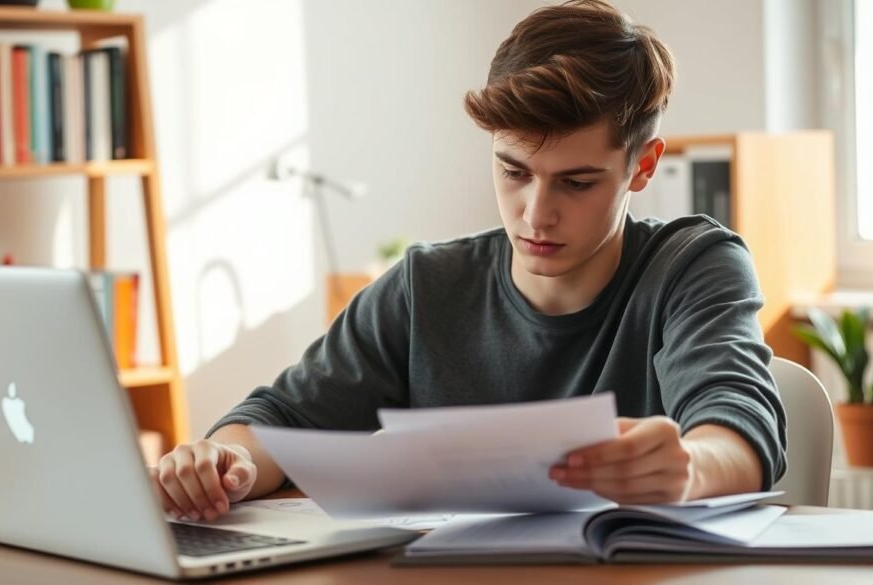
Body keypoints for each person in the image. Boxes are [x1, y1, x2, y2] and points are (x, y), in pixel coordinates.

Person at [151, 0, 786, 523]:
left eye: (577, 183)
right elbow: (278, 419)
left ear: (641, 166)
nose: (536, 214)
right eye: (514, 170)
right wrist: (219, 462)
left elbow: (737, 426)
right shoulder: (426, 286)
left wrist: (688, 466)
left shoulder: (694, 265)